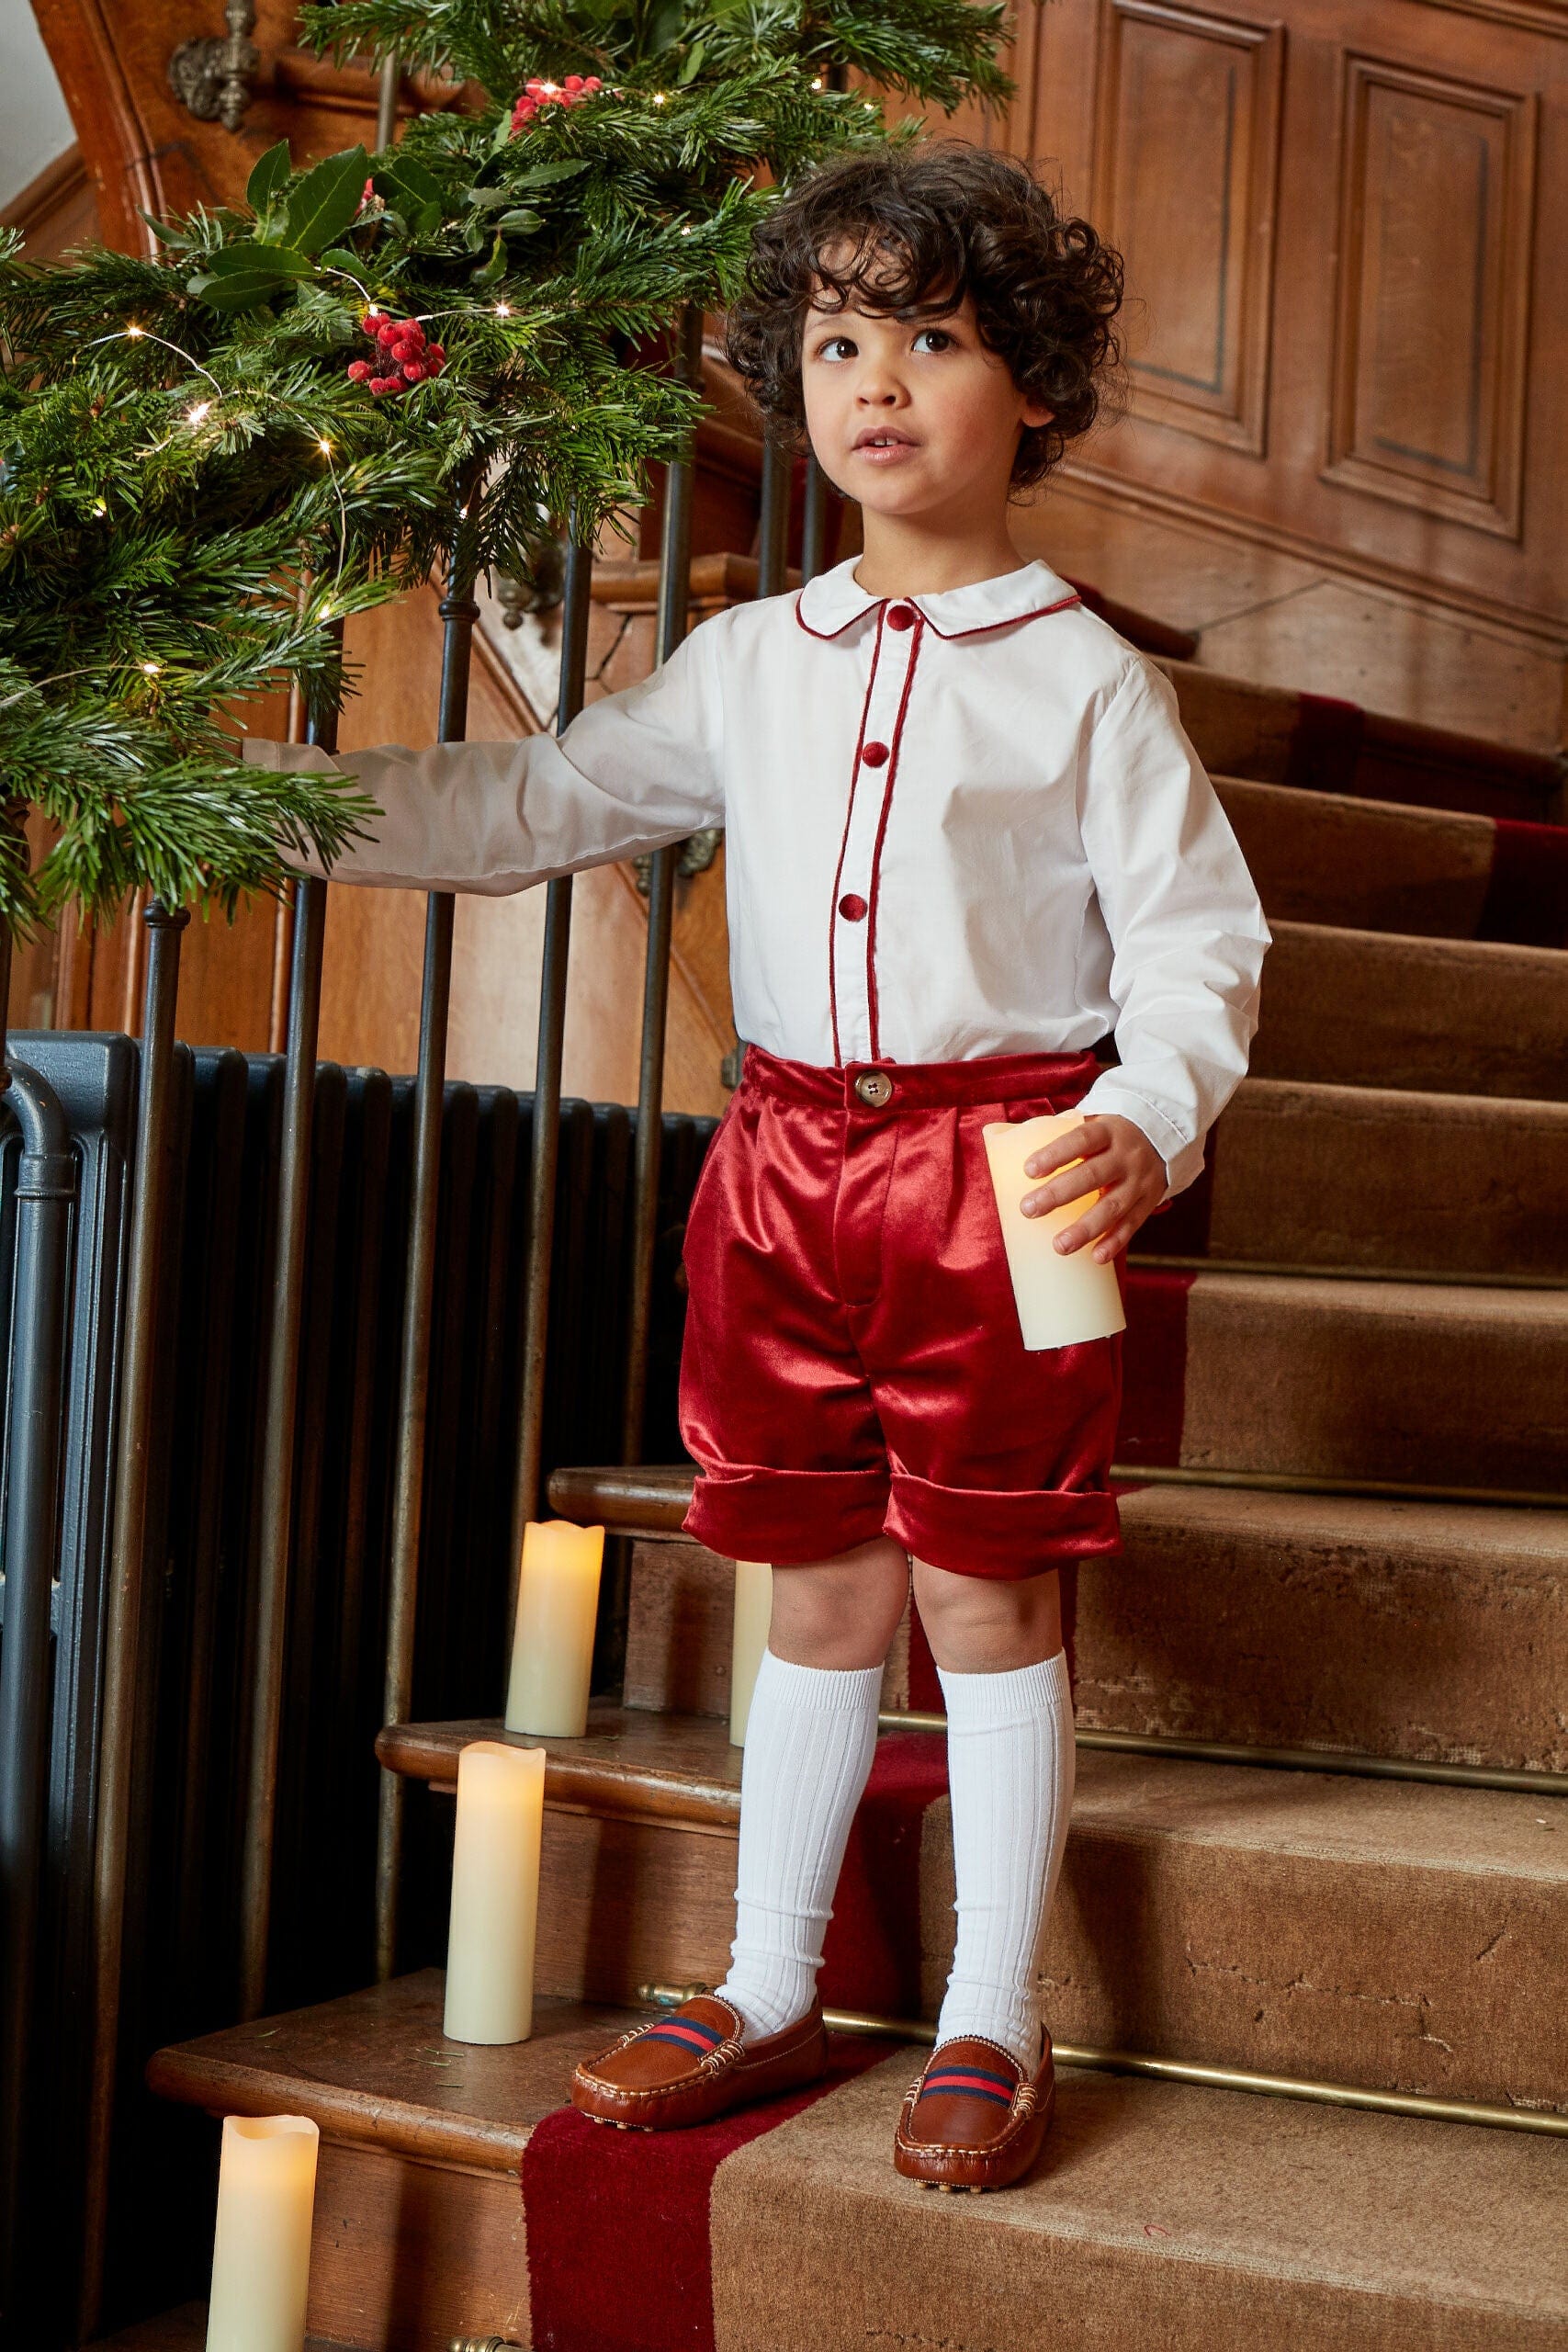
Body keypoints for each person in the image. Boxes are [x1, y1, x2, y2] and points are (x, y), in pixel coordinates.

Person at [244, 141, 1270, 2192]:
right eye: (832, 341)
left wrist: (1144, 1119)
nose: (873, 379)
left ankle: (991, 2003)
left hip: (1000, 1179)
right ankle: (770, 1973)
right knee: (810, 1579)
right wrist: (260, 806)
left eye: (928, 337)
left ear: (1033, 387)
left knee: (981, 1594)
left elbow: (1195, 946)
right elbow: (533, 795)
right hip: (785, 1174)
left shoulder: (1086, 684)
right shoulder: (746, 662)